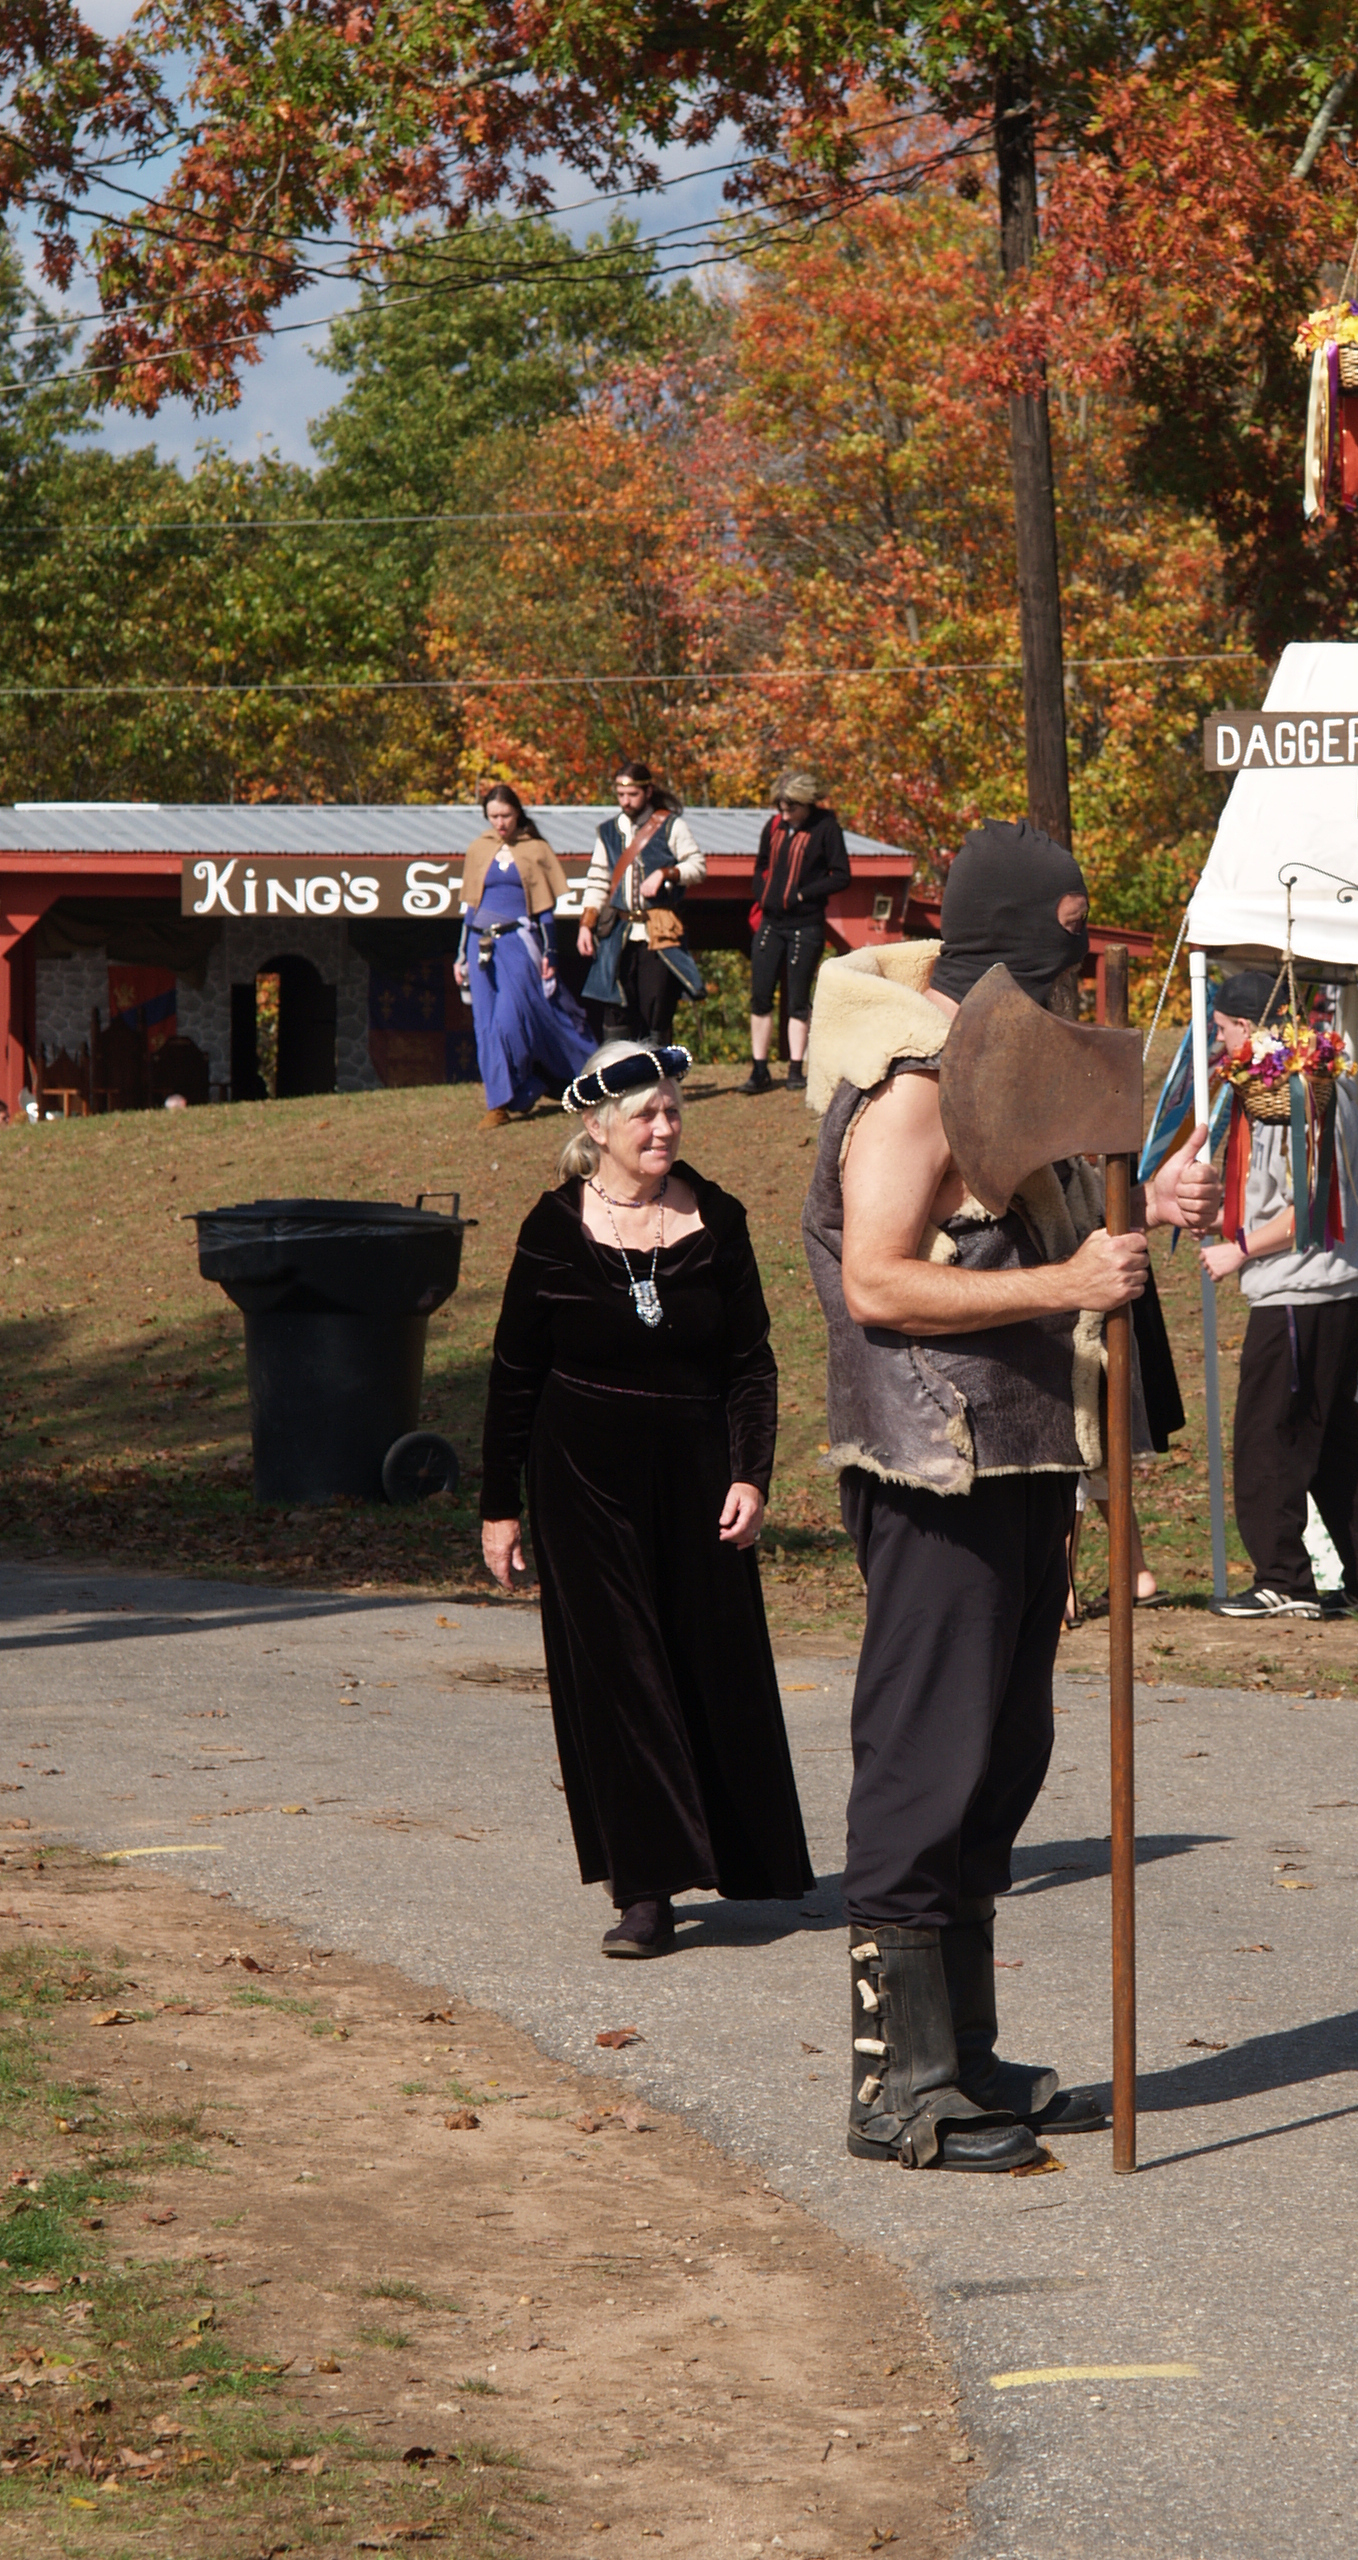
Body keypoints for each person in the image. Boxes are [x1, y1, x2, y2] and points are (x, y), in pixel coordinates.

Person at [800, 819, 1221, 2172]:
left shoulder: (994, 1069)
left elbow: (1041, 1241)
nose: (1071, 978)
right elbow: (878, 1280)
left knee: (995, 1761)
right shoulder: (911, 1087)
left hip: (1022, 1462)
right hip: (940, 1467)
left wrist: (1145, 1209)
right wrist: (1070, 1283)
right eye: (1060, 950)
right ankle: (898, 2089)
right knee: (926, 1759)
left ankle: (964, 2058)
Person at [480, 1040, 815, 1957]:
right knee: (621, 1677)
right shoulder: (553, 1228)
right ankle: (646, 1890)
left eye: (673, 1110)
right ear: (599, 1129)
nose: (665, 1127)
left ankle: (738, 1857)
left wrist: (751, 1474)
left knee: (708, 1665)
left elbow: (750, 1363)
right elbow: (513, 1374)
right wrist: (499, 1507)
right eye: (646, 1115)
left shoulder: (720, 1217)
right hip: (582, 1483)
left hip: (699, 1476)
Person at [1201, 968, 1358, 1622]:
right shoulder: (1314, 1083)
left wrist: (1239, 1249)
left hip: (1303, 1288)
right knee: (1331, 1436)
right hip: (1332, 1282)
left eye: (1223, 1029)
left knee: (1268, 1435)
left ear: (1249, 1027)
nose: (1219, 1043)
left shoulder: (1293, 1091)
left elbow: (1307, 1201)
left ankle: (1284, 1579)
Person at [455, 782, 595, 1131]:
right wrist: (461, 957)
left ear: (517, 812)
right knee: (486, 1025)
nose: (500, 822)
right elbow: (470, 906)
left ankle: (561, 1079)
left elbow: (545, 909)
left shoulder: (535, 849)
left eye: (505, 815)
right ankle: (500, 1103)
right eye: (493, 816)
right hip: (479, 944)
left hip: (518, 942)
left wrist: (551, 952)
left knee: (511, 1021)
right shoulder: (479, 848)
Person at [576, 761, 708, 1046]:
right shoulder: (608, 831)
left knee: (656, 1009)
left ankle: (660, 1071)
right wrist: (586, 924)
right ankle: (619, 1071)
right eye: (621, 795)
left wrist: (666, 873)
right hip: (618, 933)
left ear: (648, 792)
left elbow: (697, 866)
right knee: (615, 1008)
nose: (626, 801)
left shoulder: (671, 826)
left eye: (632, 794)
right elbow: (598, 879)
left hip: (657, 932)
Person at [746, 768, 850, 1093]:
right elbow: (761, 865)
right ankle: (759, 1069)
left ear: (806, 803)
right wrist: (763, 892)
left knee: (798, 999)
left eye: (791, 808)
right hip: (771, 923)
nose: (785, 814)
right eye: (781, 808)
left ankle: (795, 1069)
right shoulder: (774, 826)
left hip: (806, 925)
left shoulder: (826, 828)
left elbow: (841, 875)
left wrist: (803, 895)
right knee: (760, 995)